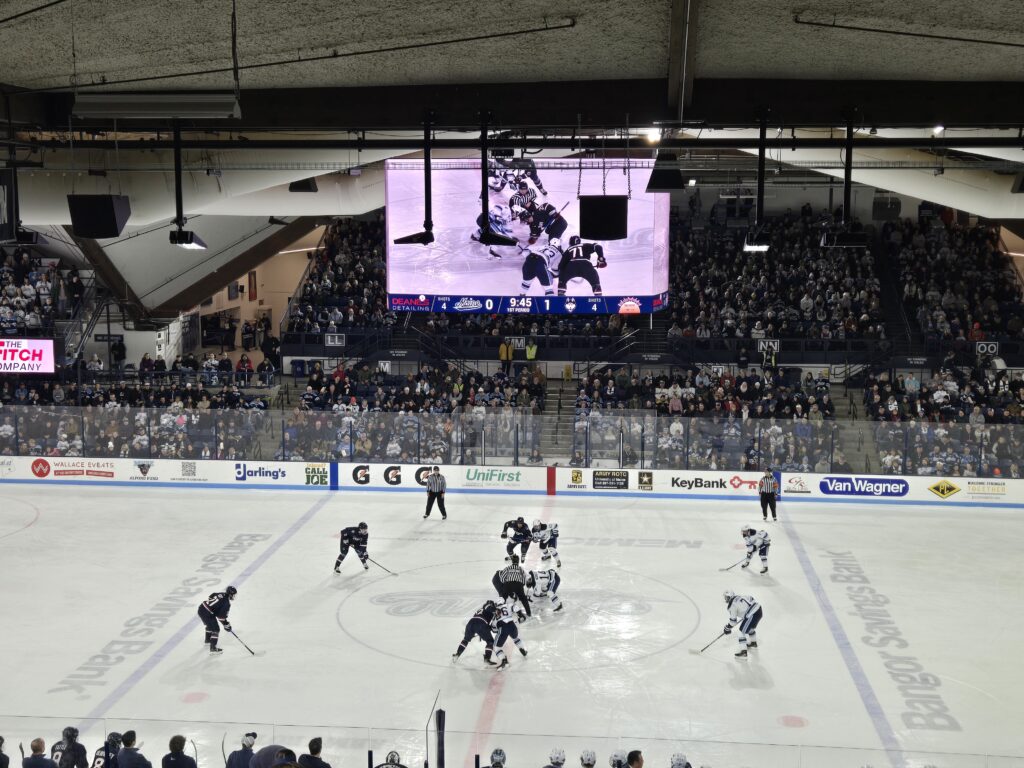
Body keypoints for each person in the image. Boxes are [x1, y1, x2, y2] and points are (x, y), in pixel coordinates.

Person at [451, 599, 502, 666]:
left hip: (470, 623)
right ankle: (487, 658)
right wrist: (496, 610)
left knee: (466, 640)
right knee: (490, 641)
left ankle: (457, 654)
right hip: (480, 623)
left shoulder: (481, 609)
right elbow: (488, 607)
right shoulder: (489, 607)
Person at [723, 590, 763, 658]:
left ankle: (743, 651)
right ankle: (753, 643)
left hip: (751, 614)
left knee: (741, 632)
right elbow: (751, 598)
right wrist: (746, 610)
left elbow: (733, 622)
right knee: (750, 628)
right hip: (759, 610)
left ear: (730, 597)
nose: (726, 599)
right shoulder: (739, 596)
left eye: (727, 597)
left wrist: (727, 628)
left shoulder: (732, 606)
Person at [197, 585, 237, 654]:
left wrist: (214, 608)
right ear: (231, 594)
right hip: (207, 613)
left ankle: (208, 641)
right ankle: (213, 649)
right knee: (216, 629)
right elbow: (221, 617)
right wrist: (226, 625)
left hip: (201, 608)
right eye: (233, 595)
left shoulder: (221, 594)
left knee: (210, 625)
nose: (234, 596)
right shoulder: (227, 603)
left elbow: (211, 595)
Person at [492, 597, 528, 668]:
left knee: (496, 647)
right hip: (512, 625)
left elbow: (494, 628)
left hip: (502, 627)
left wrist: (497, 631)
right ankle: (522, 649)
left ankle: (504, 661)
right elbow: (515, 607)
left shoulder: (495, 612)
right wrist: (520, 614)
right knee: (515, 638)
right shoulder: (508, 605)